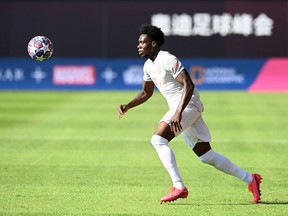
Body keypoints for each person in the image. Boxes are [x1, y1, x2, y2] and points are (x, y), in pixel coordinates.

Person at [118, 23, 262, 204]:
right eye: (139, 43)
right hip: (182, 109)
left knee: (158, 139)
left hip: (187, 106)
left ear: (153, 44)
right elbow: (147, 92)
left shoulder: (166, 58)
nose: (139, 46)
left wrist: (178, 112)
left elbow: (188, 83)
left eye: (143, 42)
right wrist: (128, 105)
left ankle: (178, 186)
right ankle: (251, 179)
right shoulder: (148, 65)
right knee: (206, 156)